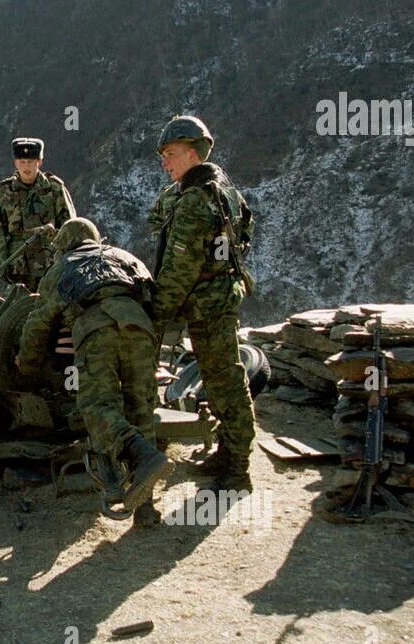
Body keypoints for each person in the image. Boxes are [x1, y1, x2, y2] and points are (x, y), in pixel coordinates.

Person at [16, 217, 172, 520]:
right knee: (141, 409)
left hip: (96, 334)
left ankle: (142, 455)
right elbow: (156, 300)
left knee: (98, 406)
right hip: (141, 331)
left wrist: (28, 362)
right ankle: (146, 508)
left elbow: (39, 322)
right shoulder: (125, 258)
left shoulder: (62, 269)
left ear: (63, 246)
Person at [149, 115, 257, 493]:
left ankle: (238, 469)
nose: (165, 163)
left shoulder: (195, 200)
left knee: (226, 382)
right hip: (220, 295)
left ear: (193, 154)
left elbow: (179, 270)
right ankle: (229, 454)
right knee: (222, 378)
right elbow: (246, 229)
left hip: (208, 305)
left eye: (172, 154)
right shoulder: (222, 187)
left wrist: (155, 314)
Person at [0, 137, 76, 292]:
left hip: (51, 267)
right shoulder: (4, 192)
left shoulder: (54, 189)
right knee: (16, 313)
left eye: (30, 162)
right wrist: (2, 267)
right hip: (18, 270)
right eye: (22, 162)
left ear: (39, 162)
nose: (26, 167)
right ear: (15, 163)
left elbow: (70, 226)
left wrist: (66, 262)